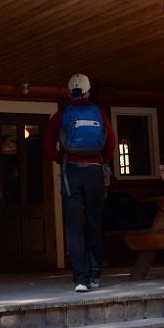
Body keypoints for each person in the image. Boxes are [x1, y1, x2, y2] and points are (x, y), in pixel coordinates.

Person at [44, 73, 116, 293]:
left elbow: (48, 147)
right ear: (88, 92)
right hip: (95, 173)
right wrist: (99, 160)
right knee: (94, 223)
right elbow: (111, 143)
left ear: (69, 93)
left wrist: (62, 160)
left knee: (74, 227)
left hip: (71, 173)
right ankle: (95, 274)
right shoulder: (99, 114)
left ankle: (80, 280)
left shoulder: (61, 115)